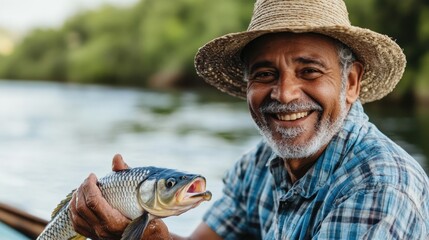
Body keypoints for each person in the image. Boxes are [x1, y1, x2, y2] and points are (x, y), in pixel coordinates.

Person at [69, 0, 429, 239]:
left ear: (350, 83)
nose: (285, 94)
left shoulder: (381, 187)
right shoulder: (260, 163)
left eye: (309, 71)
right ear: (247, 86)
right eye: (265, 74)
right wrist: (145, 232)